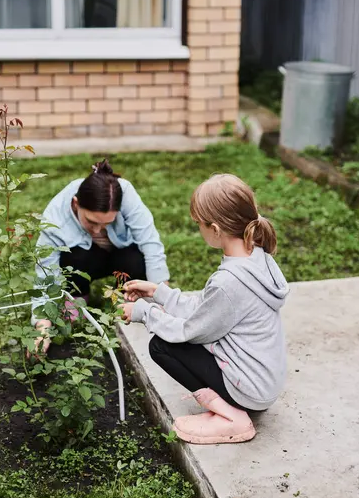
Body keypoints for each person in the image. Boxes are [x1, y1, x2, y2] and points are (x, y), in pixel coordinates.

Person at [121, 173, 289, 445]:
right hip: (263, 382)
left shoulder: (229, 282)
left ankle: (232, 417)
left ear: (215, 229)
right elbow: (209, 309)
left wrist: (144, 313)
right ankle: (233, 407)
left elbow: (191, 331)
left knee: (162, 346)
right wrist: (158, 293)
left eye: (198, 224)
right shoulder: (257, 258)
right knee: (171, 338)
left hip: (250, 392)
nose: (198, 229)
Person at [32, 159, 169, 353]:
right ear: (76, 203)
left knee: (135, 258)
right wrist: (42, 327)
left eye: (106, 223)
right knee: (71, 257)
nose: (97, 229)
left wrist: (163, 297)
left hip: (121, 257)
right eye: (91, 221)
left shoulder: (125, 194)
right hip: (85, 261)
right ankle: (79, 298)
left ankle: (124, 296)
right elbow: (45, 274)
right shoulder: (54, 218)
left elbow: (150, 242)